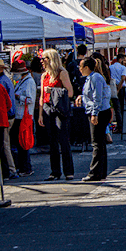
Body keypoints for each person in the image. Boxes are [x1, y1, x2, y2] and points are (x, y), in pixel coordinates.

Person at [38, 49, 75, 181]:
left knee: (63, 139)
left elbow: (70, 93)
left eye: (44, 59)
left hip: (59, 108)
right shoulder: (44, 76)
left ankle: (68, 171)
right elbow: (42, 97)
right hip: (48, 107)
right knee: (52, 142)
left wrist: (53, 90)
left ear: (50, 59)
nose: (42, 61)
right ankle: (55, 171)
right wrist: (40, 114)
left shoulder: (62, 73)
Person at [76, 57, 111, 182]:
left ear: (86, 67)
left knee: (96, 142)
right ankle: (100, 172)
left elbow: (97, 97)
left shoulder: (95, 77)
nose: (79, 70)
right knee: (99, 143)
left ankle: (94, 172)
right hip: (97, 110)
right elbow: (91, 94)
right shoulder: (90, 78)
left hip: (99, 112)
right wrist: (81, 97)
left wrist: (94, 114)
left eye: (81, 67)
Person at [0, 57, 18, 179]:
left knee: (5, 145)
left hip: (7, 115)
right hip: (9, 114)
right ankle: (10, 168)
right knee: (5, 144)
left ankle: (11, 169)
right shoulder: (4, 79)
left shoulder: (1, 81)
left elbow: (4, 101)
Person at [11, 59, 36, 177]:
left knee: (23, 143)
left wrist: (17, 97)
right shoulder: (22, 81)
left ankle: (26, 168)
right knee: (19, 143)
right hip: (19, 116)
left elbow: (30, 99)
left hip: (24, 116)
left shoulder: (29, 82)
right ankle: (23, 167)